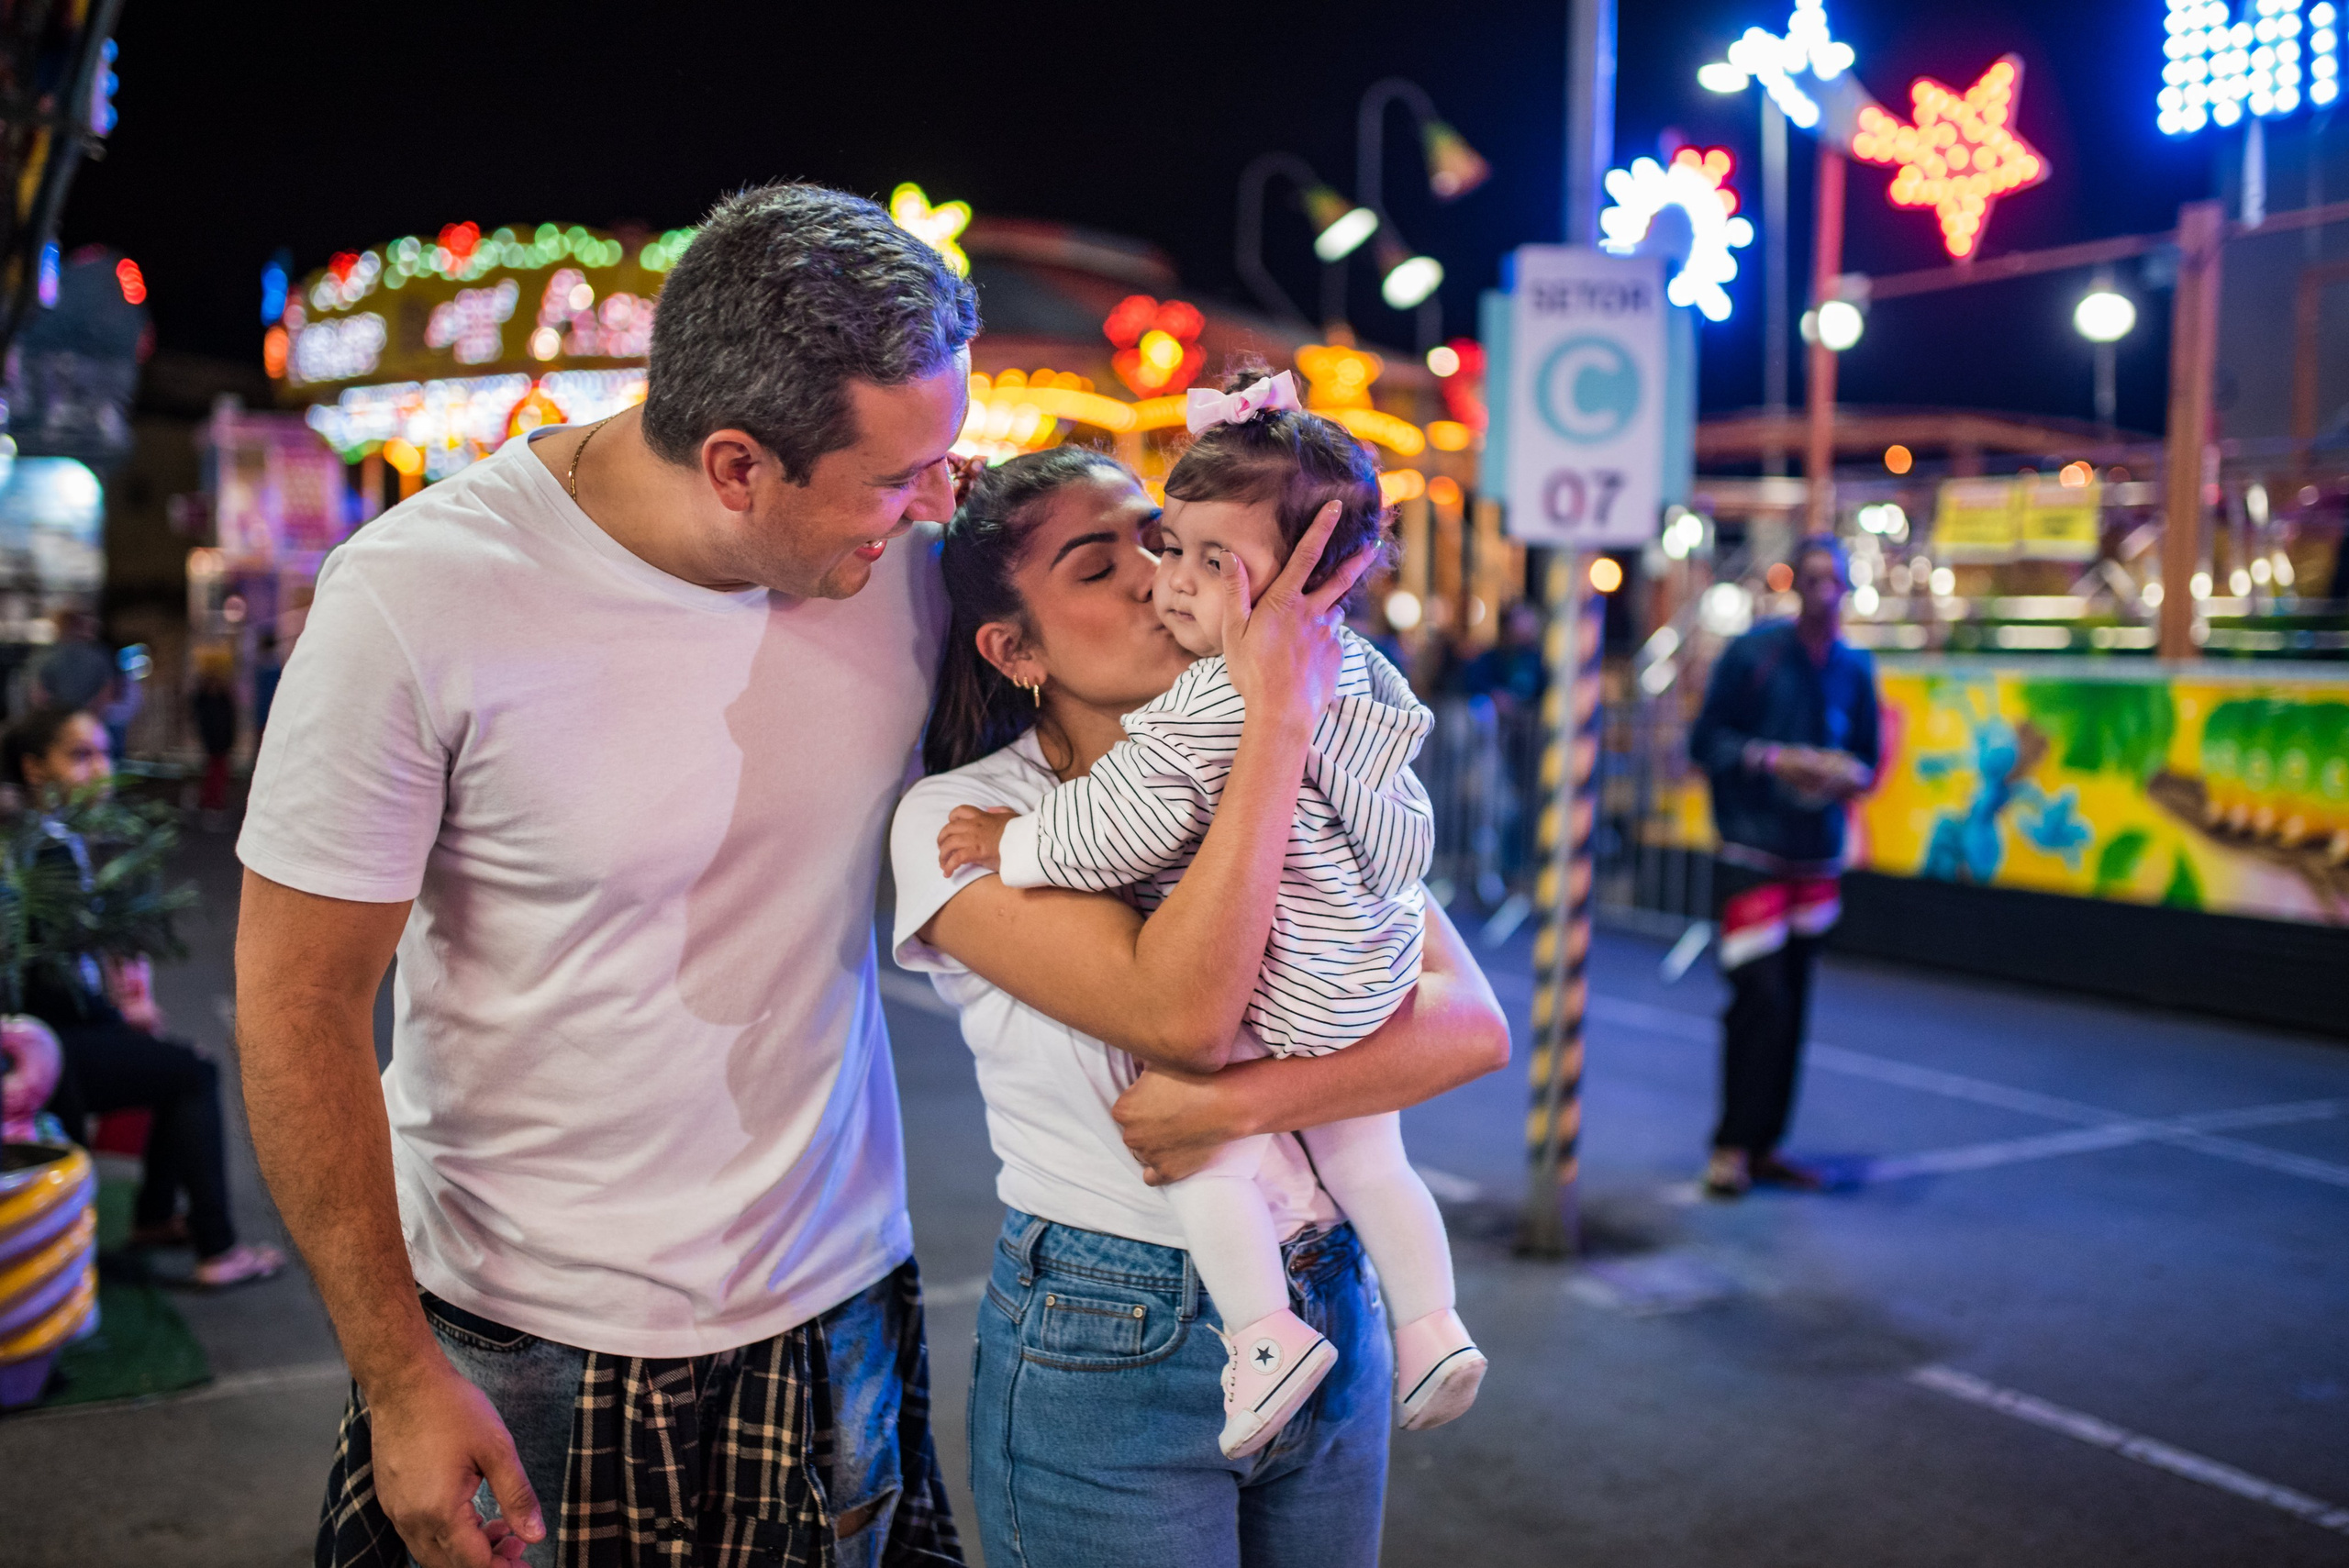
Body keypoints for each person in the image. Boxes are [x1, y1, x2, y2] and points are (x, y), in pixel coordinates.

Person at [234, 183, 976, 1568]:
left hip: (836, 1310)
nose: (938, 503)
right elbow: (296, 1004)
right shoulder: (416, 595)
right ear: (739, 466)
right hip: (518, 1334)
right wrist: (397, 1377)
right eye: (900, 476)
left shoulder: (901, 569)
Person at [892, 448, 1512, 1567]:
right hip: (1109, 1325)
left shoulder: (1312, 742)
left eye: (1163, 539)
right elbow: (1184, 1017)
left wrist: (1233, 1108)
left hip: (1333, 1290)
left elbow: (1470, 1024)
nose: (1157, 576)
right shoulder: (965, 817)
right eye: (1098, 568)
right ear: (1015, 650)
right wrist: (1272, 719)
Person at [2, 706, 285, 1285]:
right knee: (193, 1072)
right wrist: (118, 1015)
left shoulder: (42, 837)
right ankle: (218, 1251)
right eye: (80, 756)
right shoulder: (43, 848)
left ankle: (156, 1217)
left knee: (175, 1063)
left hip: (47, 1038)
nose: (100, 770)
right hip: (39, 1049)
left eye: (104, 753)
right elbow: (46, 982)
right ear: (34, 769)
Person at [1687, 537, 1880, 1199]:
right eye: (1814, 580)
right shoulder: (1754, 655)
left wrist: (1844, 774)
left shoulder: (1855, 669)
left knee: (1794, 999)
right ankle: (1731, 1145)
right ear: (1794, 585)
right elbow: (1706, 741)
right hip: (1752, 848)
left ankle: (1766, 1144)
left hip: (1815, 855)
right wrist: (1775, 760)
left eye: (1834, 582)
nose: (1824, 593)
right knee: (1758, 995)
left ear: (1847, 590)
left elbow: (1869, 760)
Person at [191, 648, 239, 820]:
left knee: (218, 771)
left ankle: (213, 801)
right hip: (215, 741)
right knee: (215, 771)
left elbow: (229, 719)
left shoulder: (220, 698)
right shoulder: (208, 699)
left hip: (221, 741)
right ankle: (211, 801)